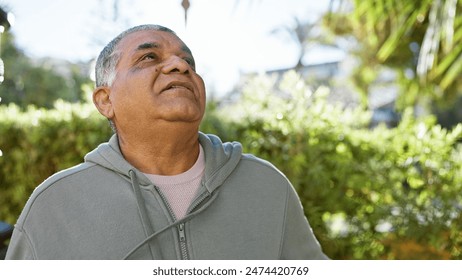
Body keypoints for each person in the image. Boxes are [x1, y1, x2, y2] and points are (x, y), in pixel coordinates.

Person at [6, 24, 328, 260]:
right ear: (106, 101)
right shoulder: (55, 205)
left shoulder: (267, 185)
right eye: (148, 57)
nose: (180, 66)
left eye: (188, 61)